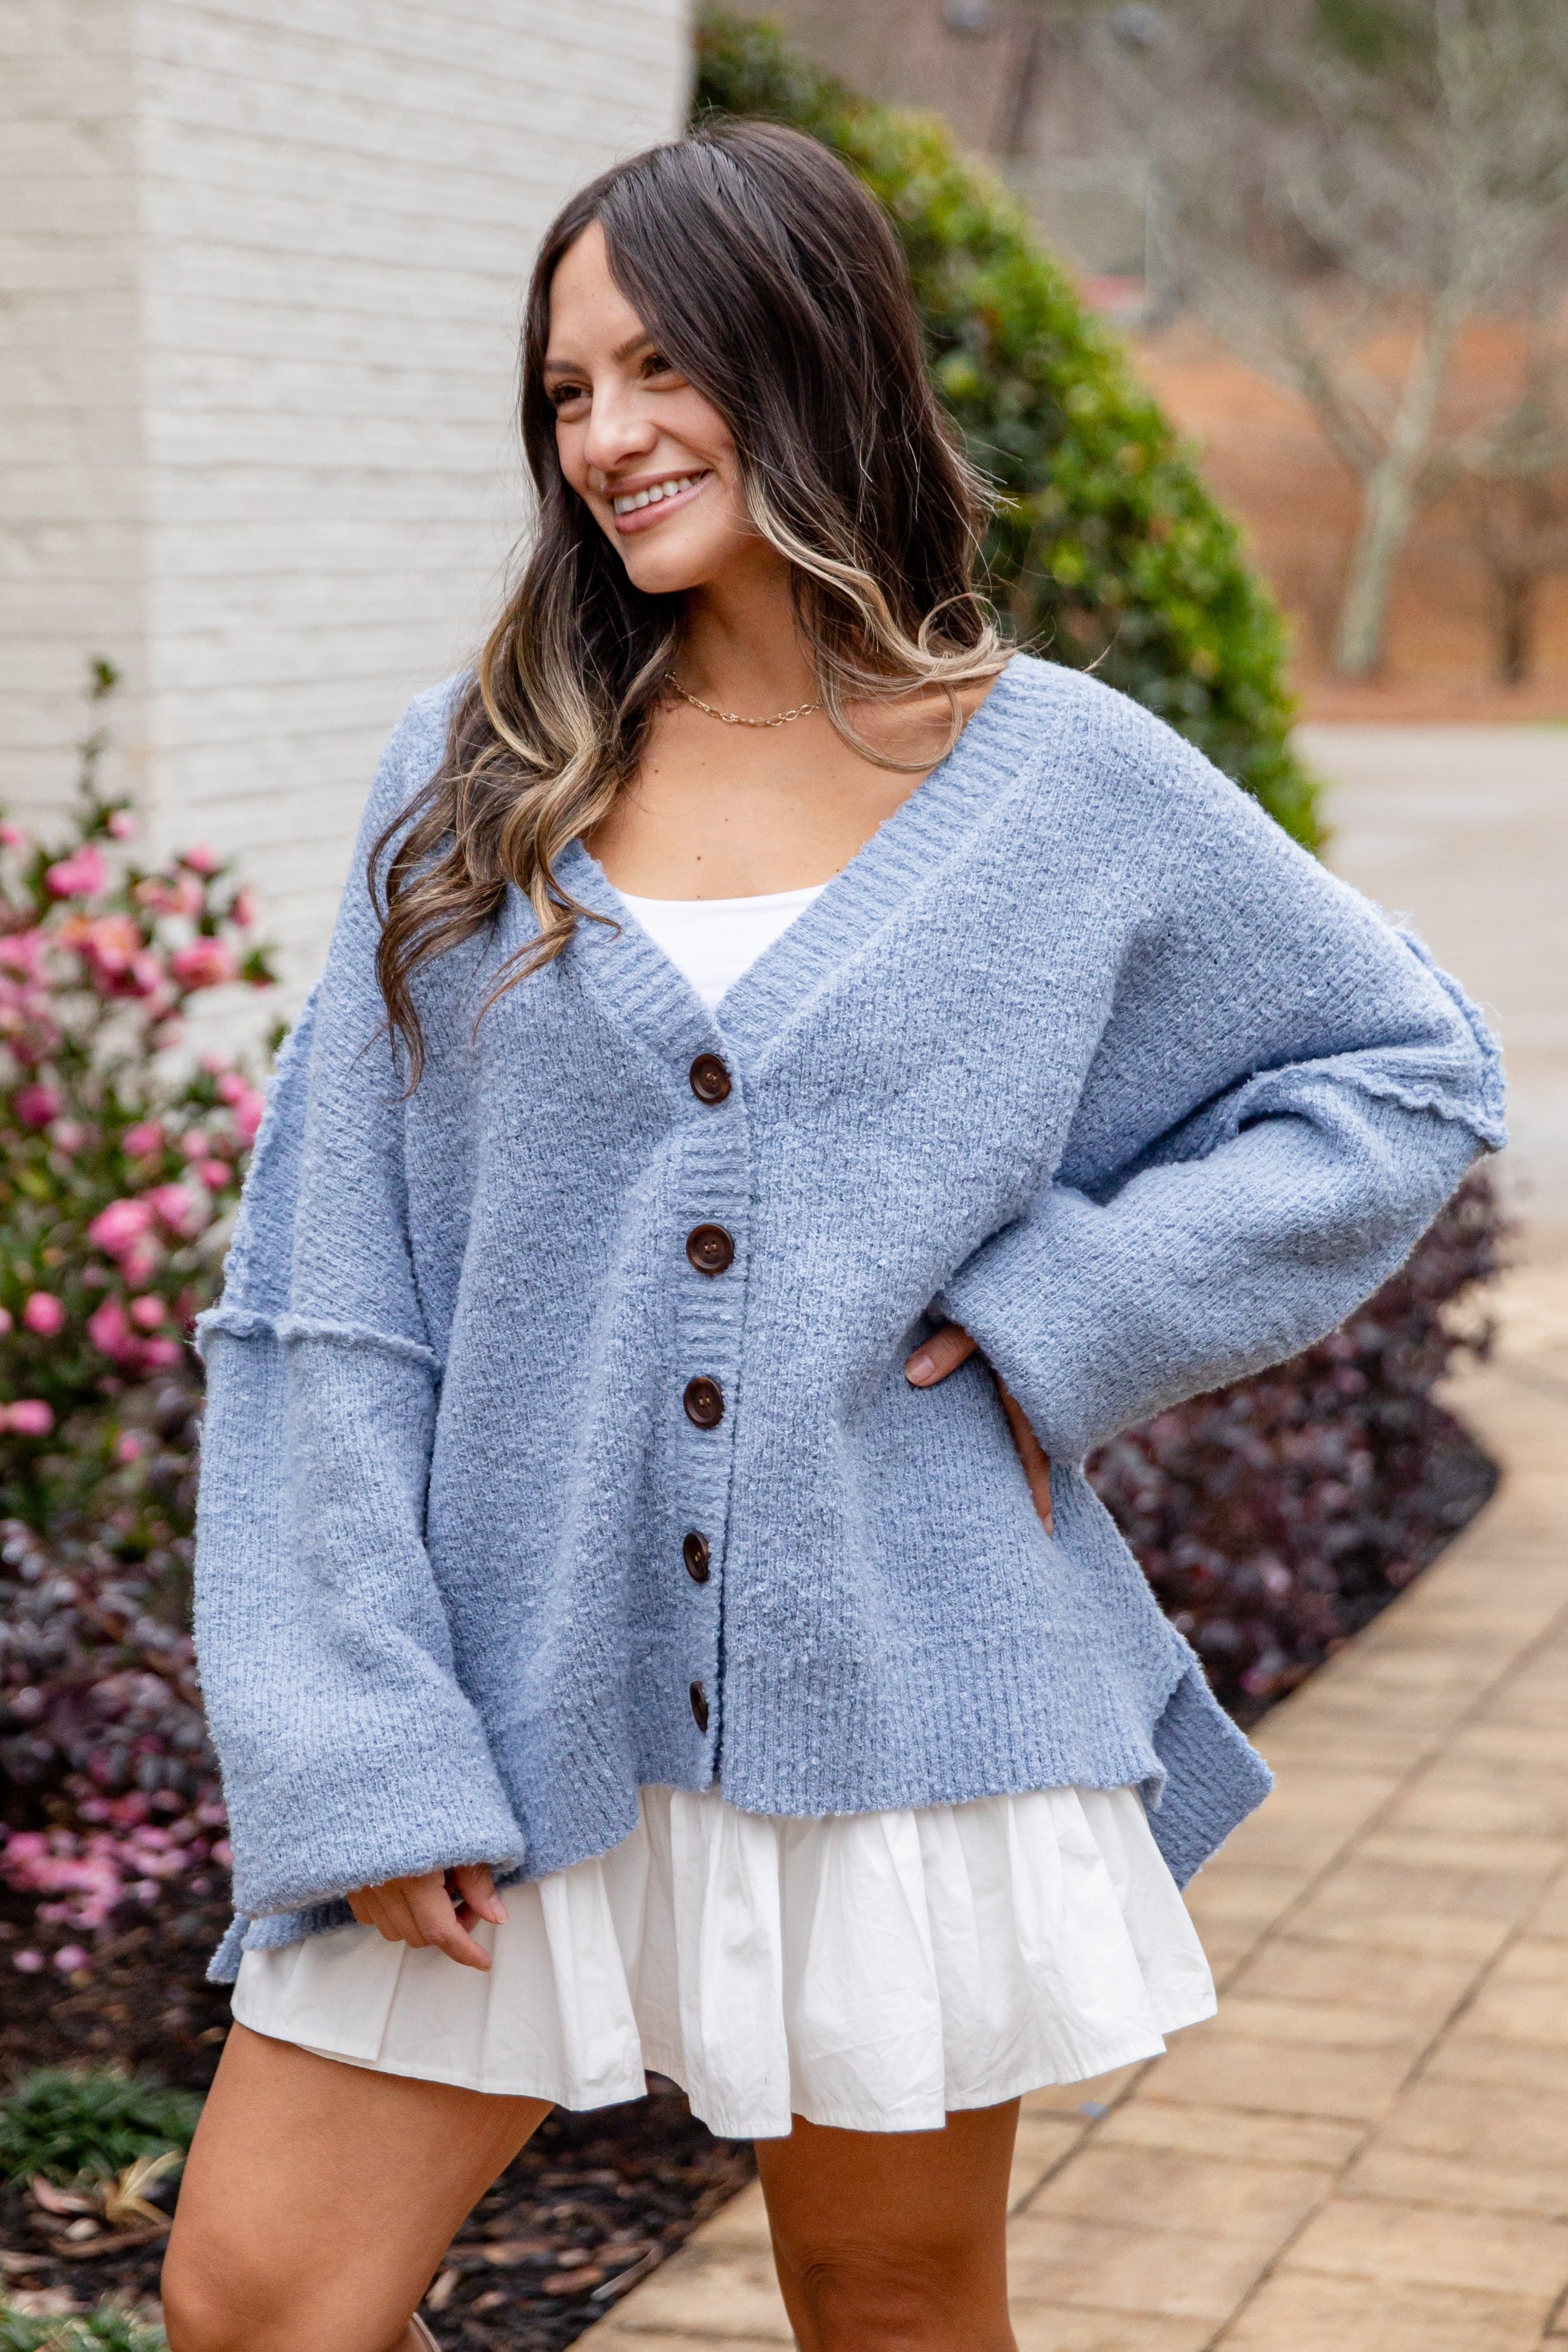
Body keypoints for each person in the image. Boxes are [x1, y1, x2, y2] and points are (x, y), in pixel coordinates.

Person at [161, 121, 1503, 2352]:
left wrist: (1069, 1304)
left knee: (887, 2305)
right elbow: (330, 1299)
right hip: (505, 1680)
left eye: (659, 367)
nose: (605, 436)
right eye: (567, 391)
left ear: (811, 358)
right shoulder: (471, 781)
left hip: (901, 1690)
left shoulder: (1061, 781)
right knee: (263, 2297)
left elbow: (1399, 1073)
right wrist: (351, 1733)